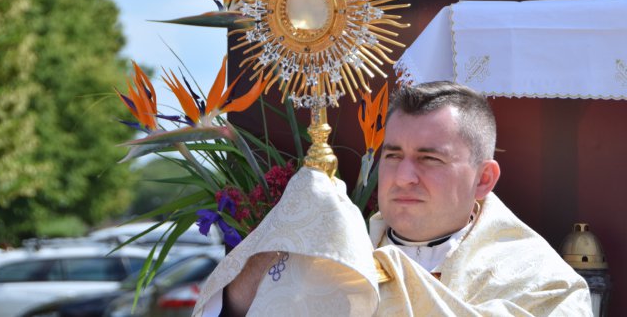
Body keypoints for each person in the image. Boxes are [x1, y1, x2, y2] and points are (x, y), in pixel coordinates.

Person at [195, 81, 592, 316]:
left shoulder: (544, 283)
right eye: (393, 155)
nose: (403, 177)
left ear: (483, 179)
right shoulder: (336, 257)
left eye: (429, 159)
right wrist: (279, 244)